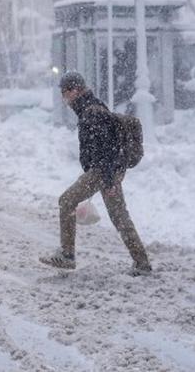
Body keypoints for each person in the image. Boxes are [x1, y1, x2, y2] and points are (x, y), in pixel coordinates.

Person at [40, 72, 151, 275]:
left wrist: (107, 181)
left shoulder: (92, 112)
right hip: (108, 171)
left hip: (102, 172)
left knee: (66, 201)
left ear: (74, 91)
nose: (64, 99)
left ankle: (67, 255)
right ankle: (141, 262)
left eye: (65, 94)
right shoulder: (92, 107)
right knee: (119, 217)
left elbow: (106, 150)